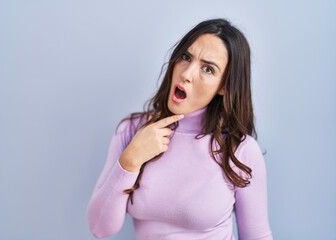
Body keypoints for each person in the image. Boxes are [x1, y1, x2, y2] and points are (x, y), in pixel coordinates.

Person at [87, 18, 273, 239]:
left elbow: (257, 236)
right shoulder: (131, 131)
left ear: (224, 86)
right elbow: (100, 228)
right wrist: (129, 161)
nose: (187, 73)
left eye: (208, 69)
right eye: (186, 57)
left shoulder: (240, 150)